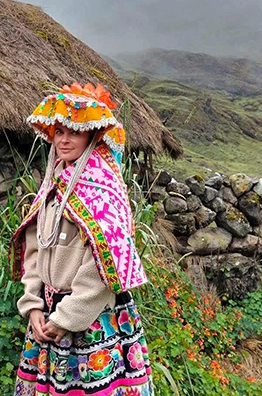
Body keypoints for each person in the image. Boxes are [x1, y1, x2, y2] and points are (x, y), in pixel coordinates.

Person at [10, 82, 154, 396]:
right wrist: (33, 304)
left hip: (89, 319)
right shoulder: (53, 183)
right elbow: (36, 248)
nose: (64, 139)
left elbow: (105, 262)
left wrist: (69, 317)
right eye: (59, 131)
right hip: (48, 315)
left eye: (74, 132)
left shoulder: (101, 187)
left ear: (91, 135)